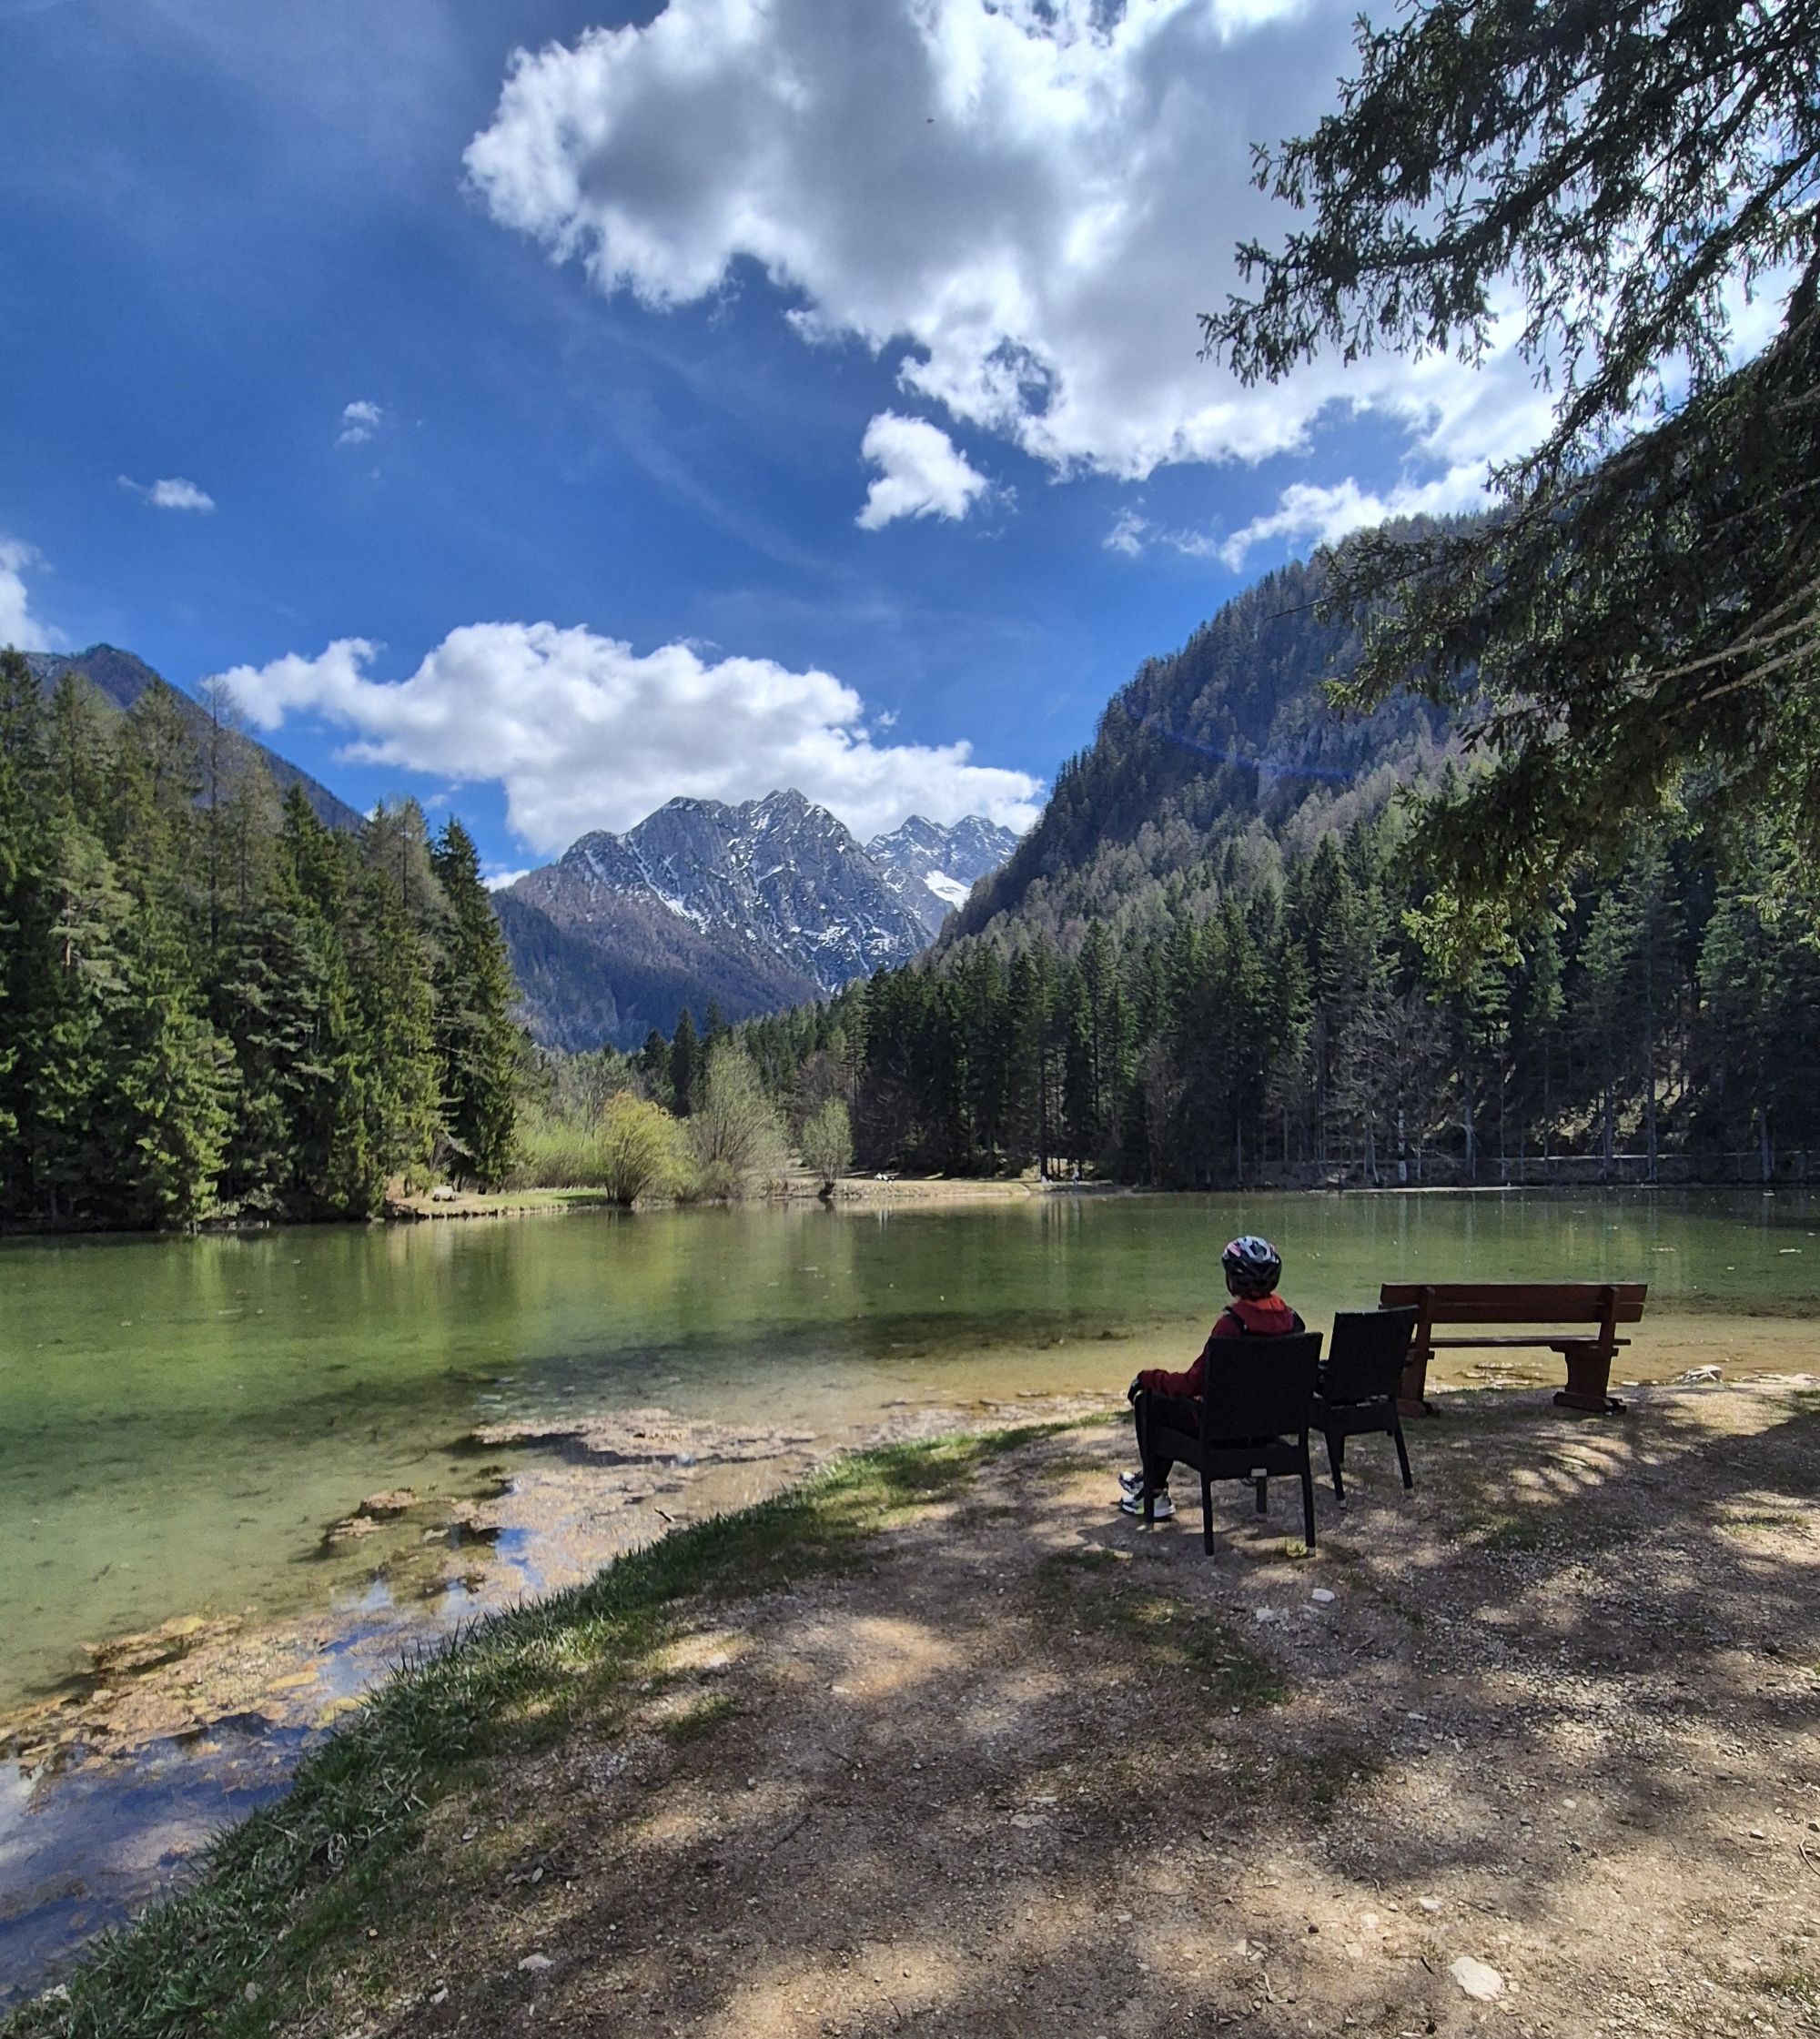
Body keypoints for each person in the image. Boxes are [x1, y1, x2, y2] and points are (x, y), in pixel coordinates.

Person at [1117, 1235, 1304, 1519]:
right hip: (1266, 1432)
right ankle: (1148, 1480)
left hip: (1221, 1433)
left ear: (1233, 1281)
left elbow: (1192, 1383)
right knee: (1166, 1403)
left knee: (1150, 1403)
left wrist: (1148, 1377)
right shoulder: (1294, 1323)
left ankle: (1153, 1496)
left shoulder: (1231, 1326)